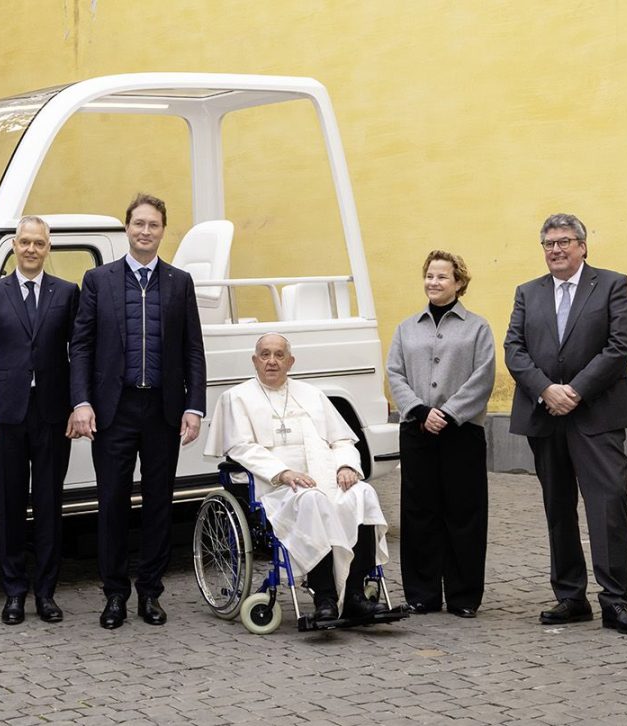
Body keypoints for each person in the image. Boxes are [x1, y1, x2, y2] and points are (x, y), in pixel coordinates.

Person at [69, 193, 207, 629]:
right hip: (114, 410)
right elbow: (82, 347)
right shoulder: (98, 281)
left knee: (158, 504)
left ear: (163, 231)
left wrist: (194, 406)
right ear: (127, 228)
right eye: (138, 224)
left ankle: (150, 592)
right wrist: (82, 400)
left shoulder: (179, 282)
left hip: (163, 410)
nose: (145, 231)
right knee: (111, 503)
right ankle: (114, 595)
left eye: (154, 225)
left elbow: (193, 351)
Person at [504, 213, 627, 636]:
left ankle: (615, 600)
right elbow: (515, 349)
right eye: (548, 243)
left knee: (609, 504)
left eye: (564, 242)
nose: (556, 250)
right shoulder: (528, 293)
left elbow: (620, 345)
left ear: (583, 246)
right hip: (545, 414)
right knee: (558, 507)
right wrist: (547, 390)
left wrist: (576, 390)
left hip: (597, 414)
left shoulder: (612, 284)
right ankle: (570, 596)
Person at [205, 333, 390, 621]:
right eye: (265, 355)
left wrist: (345, 467)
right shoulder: (237, 398)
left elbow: (342, 440)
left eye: (279, 355)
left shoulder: (313, 395)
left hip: (324, 479)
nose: (272, 361)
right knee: (312, 500)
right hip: (275, 489)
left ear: (290, 362)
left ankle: (354, 594)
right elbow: (240, 446)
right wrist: (283, 472)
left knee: (363, 494)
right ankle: (325, 597)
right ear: (255, 361)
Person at [0, 216, 80, 625]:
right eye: (25, 242)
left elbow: (78, 353)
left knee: (50, 506)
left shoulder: (67, 293)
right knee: (11, 506)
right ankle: (14, 592)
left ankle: (46, 594)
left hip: (52, 414)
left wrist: (78, 404)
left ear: (49, 248)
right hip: (6, 415)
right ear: (14, 246)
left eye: (39, 243)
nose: (32, 249)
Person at [386, 250, 495, 618]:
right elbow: (394, 373)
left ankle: (464, 597)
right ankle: (422, 594)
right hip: (416, 430)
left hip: (461, 432)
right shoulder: (406, 327)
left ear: (459, 282)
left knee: (464, 514)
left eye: (442, 277)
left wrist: (448, 413)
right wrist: (418, 410)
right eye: (429, 276)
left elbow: (483, 377)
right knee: (419, 514)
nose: (434, 282)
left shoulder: (477, 328)